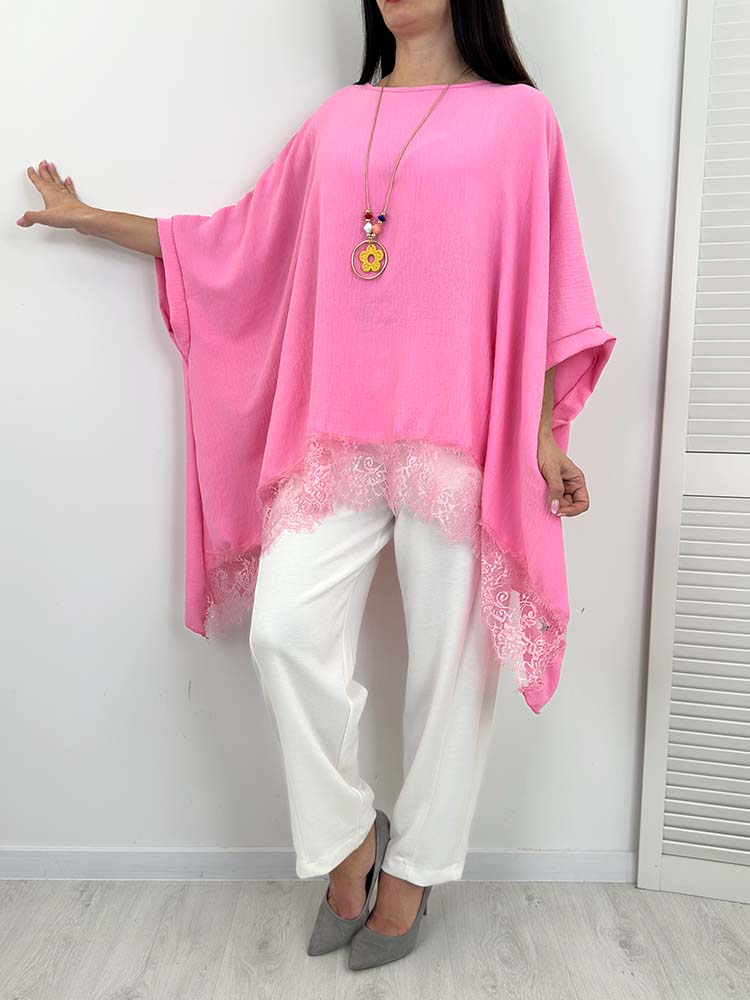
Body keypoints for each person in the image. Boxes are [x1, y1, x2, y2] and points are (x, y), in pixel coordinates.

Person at [16, 0, 616, 971]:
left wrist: (547, 435)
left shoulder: (520, 119)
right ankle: (349, 843)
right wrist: (92, 219)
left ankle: (416, 873)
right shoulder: (337, 121)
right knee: (284, 631)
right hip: (337, 433)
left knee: (451, 675)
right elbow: (236, 245)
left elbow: (548, 289)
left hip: (463, 437)